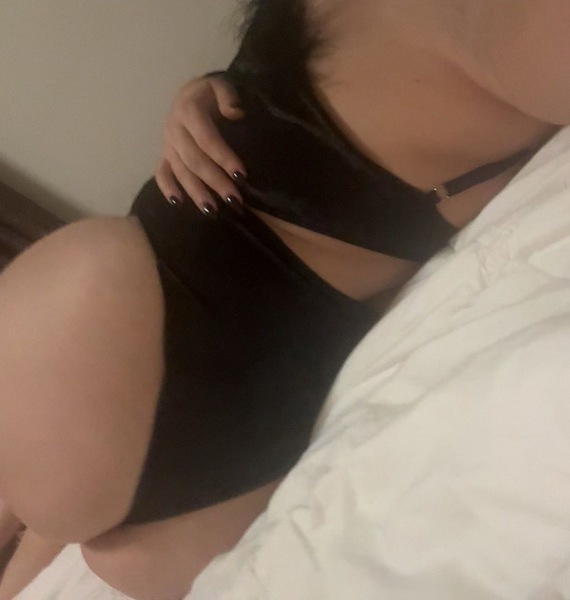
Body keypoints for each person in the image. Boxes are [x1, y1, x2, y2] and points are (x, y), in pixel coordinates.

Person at [0, 1, 567, 598]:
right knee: (61, 511)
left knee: (67, 516)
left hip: (121, 341)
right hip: (175, 365)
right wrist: (206, 89)